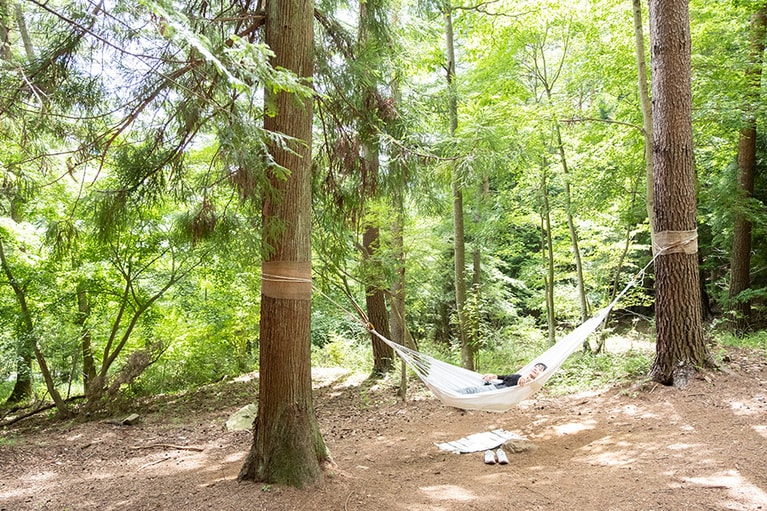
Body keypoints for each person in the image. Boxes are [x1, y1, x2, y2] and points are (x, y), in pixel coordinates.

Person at [459, 362, 548, 394]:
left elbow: (531, 385)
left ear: (542, 375)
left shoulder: (532, 383)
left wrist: (525, 378)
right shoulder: (520, 376)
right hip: (496, 387)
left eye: (540, 369)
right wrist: (495, 376)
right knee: (470, 389)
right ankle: (452, 396)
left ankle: (451, 396)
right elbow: (506, 377)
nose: (536, 369)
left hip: (497, 391)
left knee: (470, 390)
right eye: (536, 367)